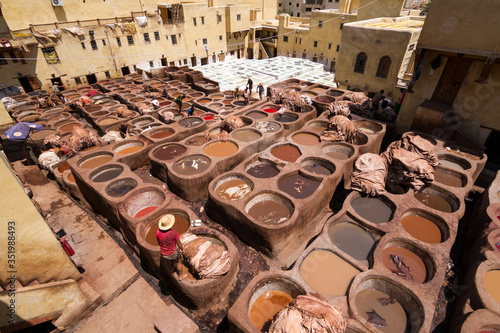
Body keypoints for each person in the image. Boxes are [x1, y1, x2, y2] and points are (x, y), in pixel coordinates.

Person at [156, 214, 187, 281]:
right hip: (172, 252)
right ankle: (181, 275)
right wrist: (183, 249)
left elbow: (159, 243)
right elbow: (179, 244)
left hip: (164, 253)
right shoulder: (174, 233)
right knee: (179, 261)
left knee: (171, 261)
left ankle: (172, 268)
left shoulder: (158, 232)